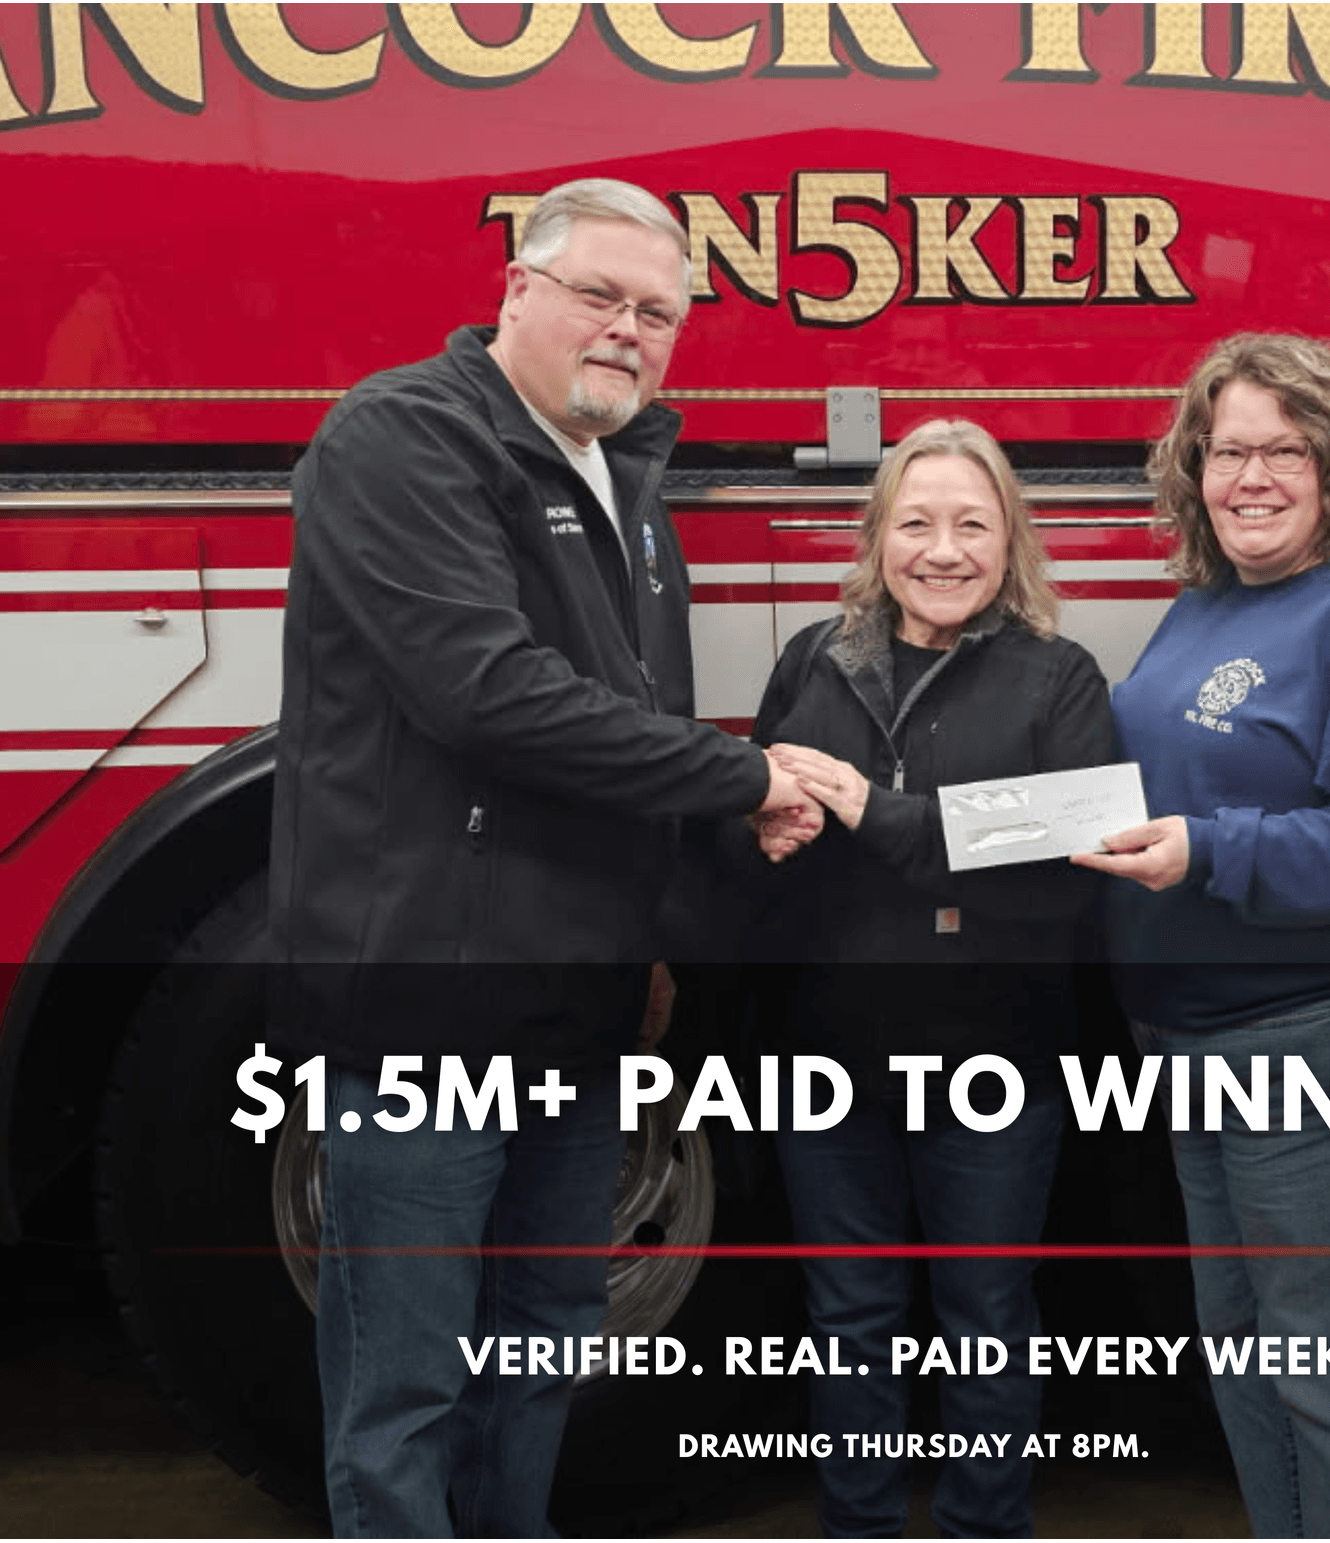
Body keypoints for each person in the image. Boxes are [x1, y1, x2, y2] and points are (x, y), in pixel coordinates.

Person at [267, 178, 812, 1538]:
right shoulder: (401, 435)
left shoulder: (623, 476)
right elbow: (486, 693)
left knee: (546, 1328)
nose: (628, 330)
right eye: (600, 296)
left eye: (658, 314)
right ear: (516, 288)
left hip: (580, 1002)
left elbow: (631, 728)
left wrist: (654, 938)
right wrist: (749, 777)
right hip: (428, 1001)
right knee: (403, 1369)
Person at [1073, 333, 1330, 1538]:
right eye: (1225, 451)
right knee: (1250, 1360)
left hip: (1321, 1032)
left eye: (1283, 451)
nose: (1249, 477)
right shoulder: (1207, 606)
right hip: (1199, 1042)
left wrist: (1209, 850)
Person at [747, 419, 1116, 1538]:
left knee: (985, 1317)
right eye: (915, 522)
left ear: (1011, 541)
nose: (942, 550)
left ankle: (982, 1526)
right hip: (829, 1065)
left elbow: (1069, 861)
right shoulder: (813, 659)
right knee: (847, 1318)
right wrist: (758, 826)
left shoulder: (1059, 678)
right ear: (876, 537)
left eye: (971, 524)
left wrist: (878, 813)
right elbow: (749, 830)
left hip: (994, 1066)